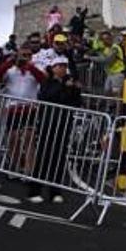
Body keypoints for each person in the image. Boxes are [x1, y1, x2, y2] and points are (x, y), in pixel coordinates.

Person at [0, 47, 46, 197]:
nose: (26, 58)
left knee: (29, 139)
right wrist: (8, 63)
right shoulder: (10, 71)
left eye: (28, 55)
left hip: (30, 109)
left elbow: (43, 79)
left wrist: (30, 66)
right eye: (23, 55)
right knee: (13, 139)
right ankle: (15, 168)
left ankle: (29, 172)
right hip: (13, 110)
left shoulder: (35, 68)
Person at [32, 54, 83, 204]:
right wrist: (63, 86)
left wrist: (75, 90)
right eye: (59, 66)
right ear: (53, 68)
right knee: (43, 156)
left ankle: (55, 191)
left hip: (64, 124)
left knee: (59, 158)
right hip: (48, 123)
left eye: (64, 66)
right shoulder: (47, 82)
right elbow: (46, 97)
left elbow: (76, 103)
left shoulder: (70, 83)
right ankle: (36, 189)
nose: (62, 69)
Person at [91, 30, 125, 96]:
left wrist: (90, 57)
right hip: (110, 73)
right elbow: (102, 58)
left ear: (111, 38)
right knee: (107, 92)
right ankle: (109, 106)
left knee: (116, 93)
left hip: (118, 73)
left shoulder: (115, 47)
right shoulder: (106, 49)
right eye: (103, 39)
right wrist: (97, 50)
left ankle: (117, 106)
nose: (105, 41)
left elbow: (107, 60)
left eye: (107, 39)